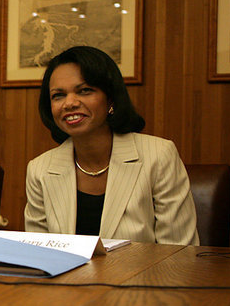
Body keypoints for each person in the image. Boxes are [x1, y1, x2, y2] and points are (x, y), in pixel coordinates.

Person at [24, 46, 199, 245]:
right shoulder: (39, 170)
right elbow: (38, 256)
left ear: (111, 99)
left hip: (144, 277)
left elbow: (178, 253)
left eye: (85, 91)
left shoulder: (158, 156)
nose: (69, 103)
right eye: (58, 95)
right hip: (66, 277)